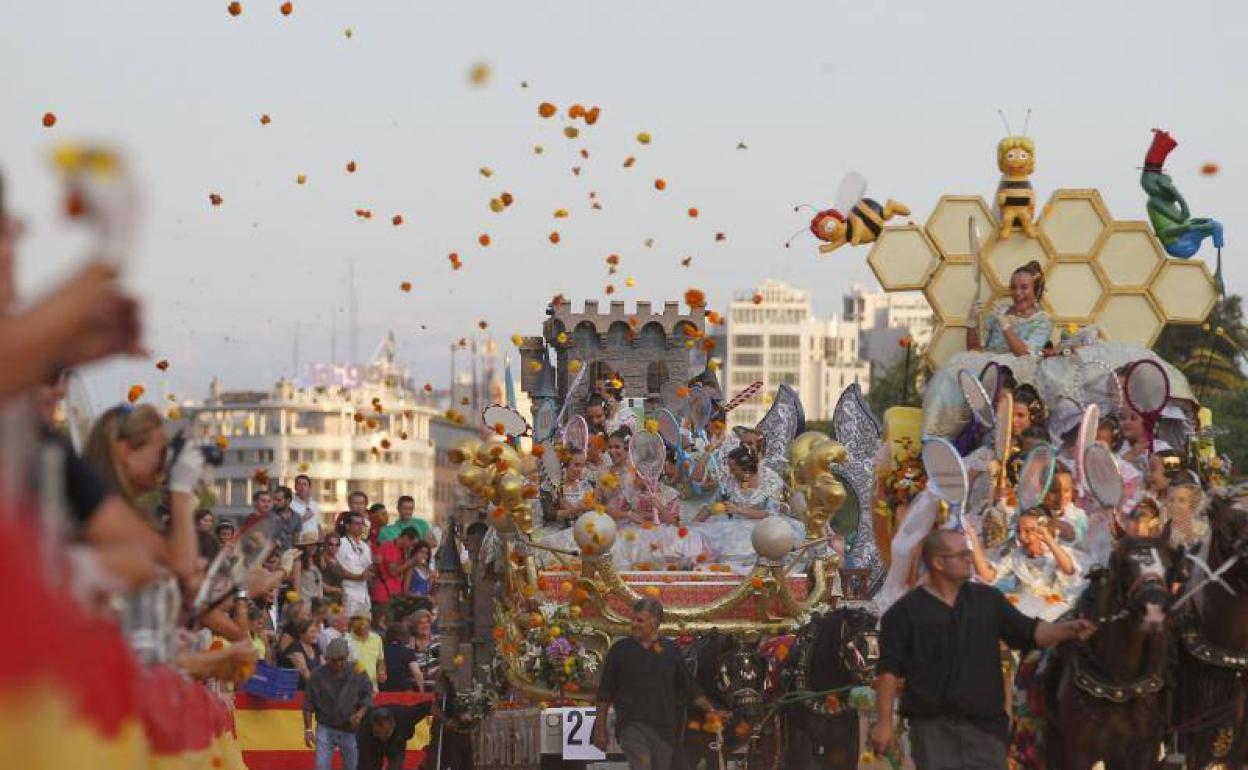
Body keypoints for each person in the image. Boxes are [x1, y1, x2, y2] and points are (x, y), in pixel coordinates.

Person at [871, 529, 1096, 768]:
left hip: (986, 730)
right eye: (962, 555)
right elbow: (888, 670)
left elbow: (1031, 632)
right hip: (933, 730)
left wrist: (1069, 629)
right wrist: (884, 723)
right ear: (938, 562)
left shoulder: (988, 600)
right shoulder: (904, 613)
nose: (970, 558)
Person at [592, 598, 724, 769]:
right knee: (642, 764)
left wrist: (712, 710)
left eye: (640, 620)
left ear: (654, 621)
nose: (634, 624)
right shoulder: (620, 651)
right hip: (631, 726)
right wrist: (599, 729)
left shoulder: (670, 651)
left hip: (665, 730)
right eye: (633, 619)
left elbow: (690, 688)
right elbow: (604, 693)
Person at [968, 508, 1080, 621]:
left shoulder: (1058, 553)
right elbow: (987, 576)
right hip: (1023, 609)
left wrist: (1049, 540)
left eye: (1028, 531)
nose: (1021, 536)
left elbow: (1069, 570)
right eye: (1018, 531)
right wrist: (973, 541)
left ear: (1041, 531)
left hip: (1052, 611)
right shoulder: (1016, 556)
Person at [303, 637, 373, 770]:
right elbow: (308, 702)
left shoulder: (358, 670)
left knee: (351, 767)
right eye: (334, 660)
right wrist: (308, 729)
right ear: (327, 658)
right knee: (321, 767)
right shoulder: (317, 675)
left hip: (349, 728)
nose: (338, 663)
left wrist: (359, 714)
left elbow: (368, 695)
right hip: (326, 726)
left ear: (347, 657)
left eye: (341, 659)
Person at [356, 704, 430, 770]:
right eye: (379, 732)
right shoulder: (364, 730)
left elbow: (429, 706)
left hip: (396, 742)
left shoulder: (406, 716)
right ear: (373, 726)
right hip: (371, 744)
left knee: (396, 765)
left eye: (386, 732)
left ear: (393, 725)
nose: (383, 737)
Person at [371, 527, 418, 622]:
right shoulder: (389, 547)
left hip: (394, 595)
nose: (411, 547)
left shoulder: (401, 550)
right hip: (383, 595)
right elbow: (392, 572)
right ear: (405, 538)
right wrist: (410, 562)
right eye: (411, 544)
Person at [337, 513, 374, 616]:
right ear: (347, 526)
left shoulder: (365, 546)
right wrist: (357, 577)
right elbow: (337, 569)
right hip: (348, 591)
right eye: (357, 524)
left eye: (362, 524)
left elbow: (369, 566)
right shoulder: (341, 543)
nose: (360, 527)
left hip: (363, 592)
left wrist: (371, 571)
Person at [277, 618, 323, 689]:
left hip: (312, 688)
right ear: (301, 634)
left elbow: (325, 667)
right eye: (311, 632)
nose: (315, 635)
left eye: (316, 632)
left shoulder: (315, 647)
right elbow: (304, 671)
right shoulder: (295, 648)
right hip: (295, 690)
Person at [346, 609, 386, 692]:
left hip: (372, 690)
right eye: (357, 620)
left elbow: (380, 661)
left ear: (369, 623)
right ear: (352, 623)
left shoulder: (377, 639)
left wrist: (381, 672)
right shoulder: (345, 640)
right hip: (352, 691)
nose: (361, 625)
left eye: (365, 621)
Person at [379, 623, 420, 692]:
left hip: (385, 692)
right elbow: (417, 673)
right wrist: (422, 691)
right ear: (403, 636)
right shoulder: (408, 652)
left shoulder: (381, 651)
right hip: (405, 692)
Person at [408, 609, 440, 691]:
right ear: (414, 627)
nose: (425, 625)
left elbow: (433, 667)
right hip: (412, 687)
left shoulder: (436, 642)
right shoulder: (408, 644)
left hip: (434, 687)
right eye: (421, 623)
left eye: (427, 622)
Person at [271, 485, 304, 553]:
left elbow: (296, 541)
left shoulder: (297, 517)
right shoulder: (268, 515)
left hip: (289, 554)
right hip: (271, 554)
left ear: (288, 500)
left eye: (279, 500)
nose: (275, 502)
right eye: (274, 499)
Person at [293, 473, 323, 542]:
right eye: (299, 484)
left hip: (315, 543)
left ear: (309, 487)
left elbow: (319, 525)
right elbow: (289, 527)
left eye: (304, 484)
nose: (302, 487)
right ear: (295, 487)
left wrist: (322, 540)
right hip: (299, 543)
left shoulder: (315, 505)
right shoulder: (291, 505)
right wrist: (304, 518)